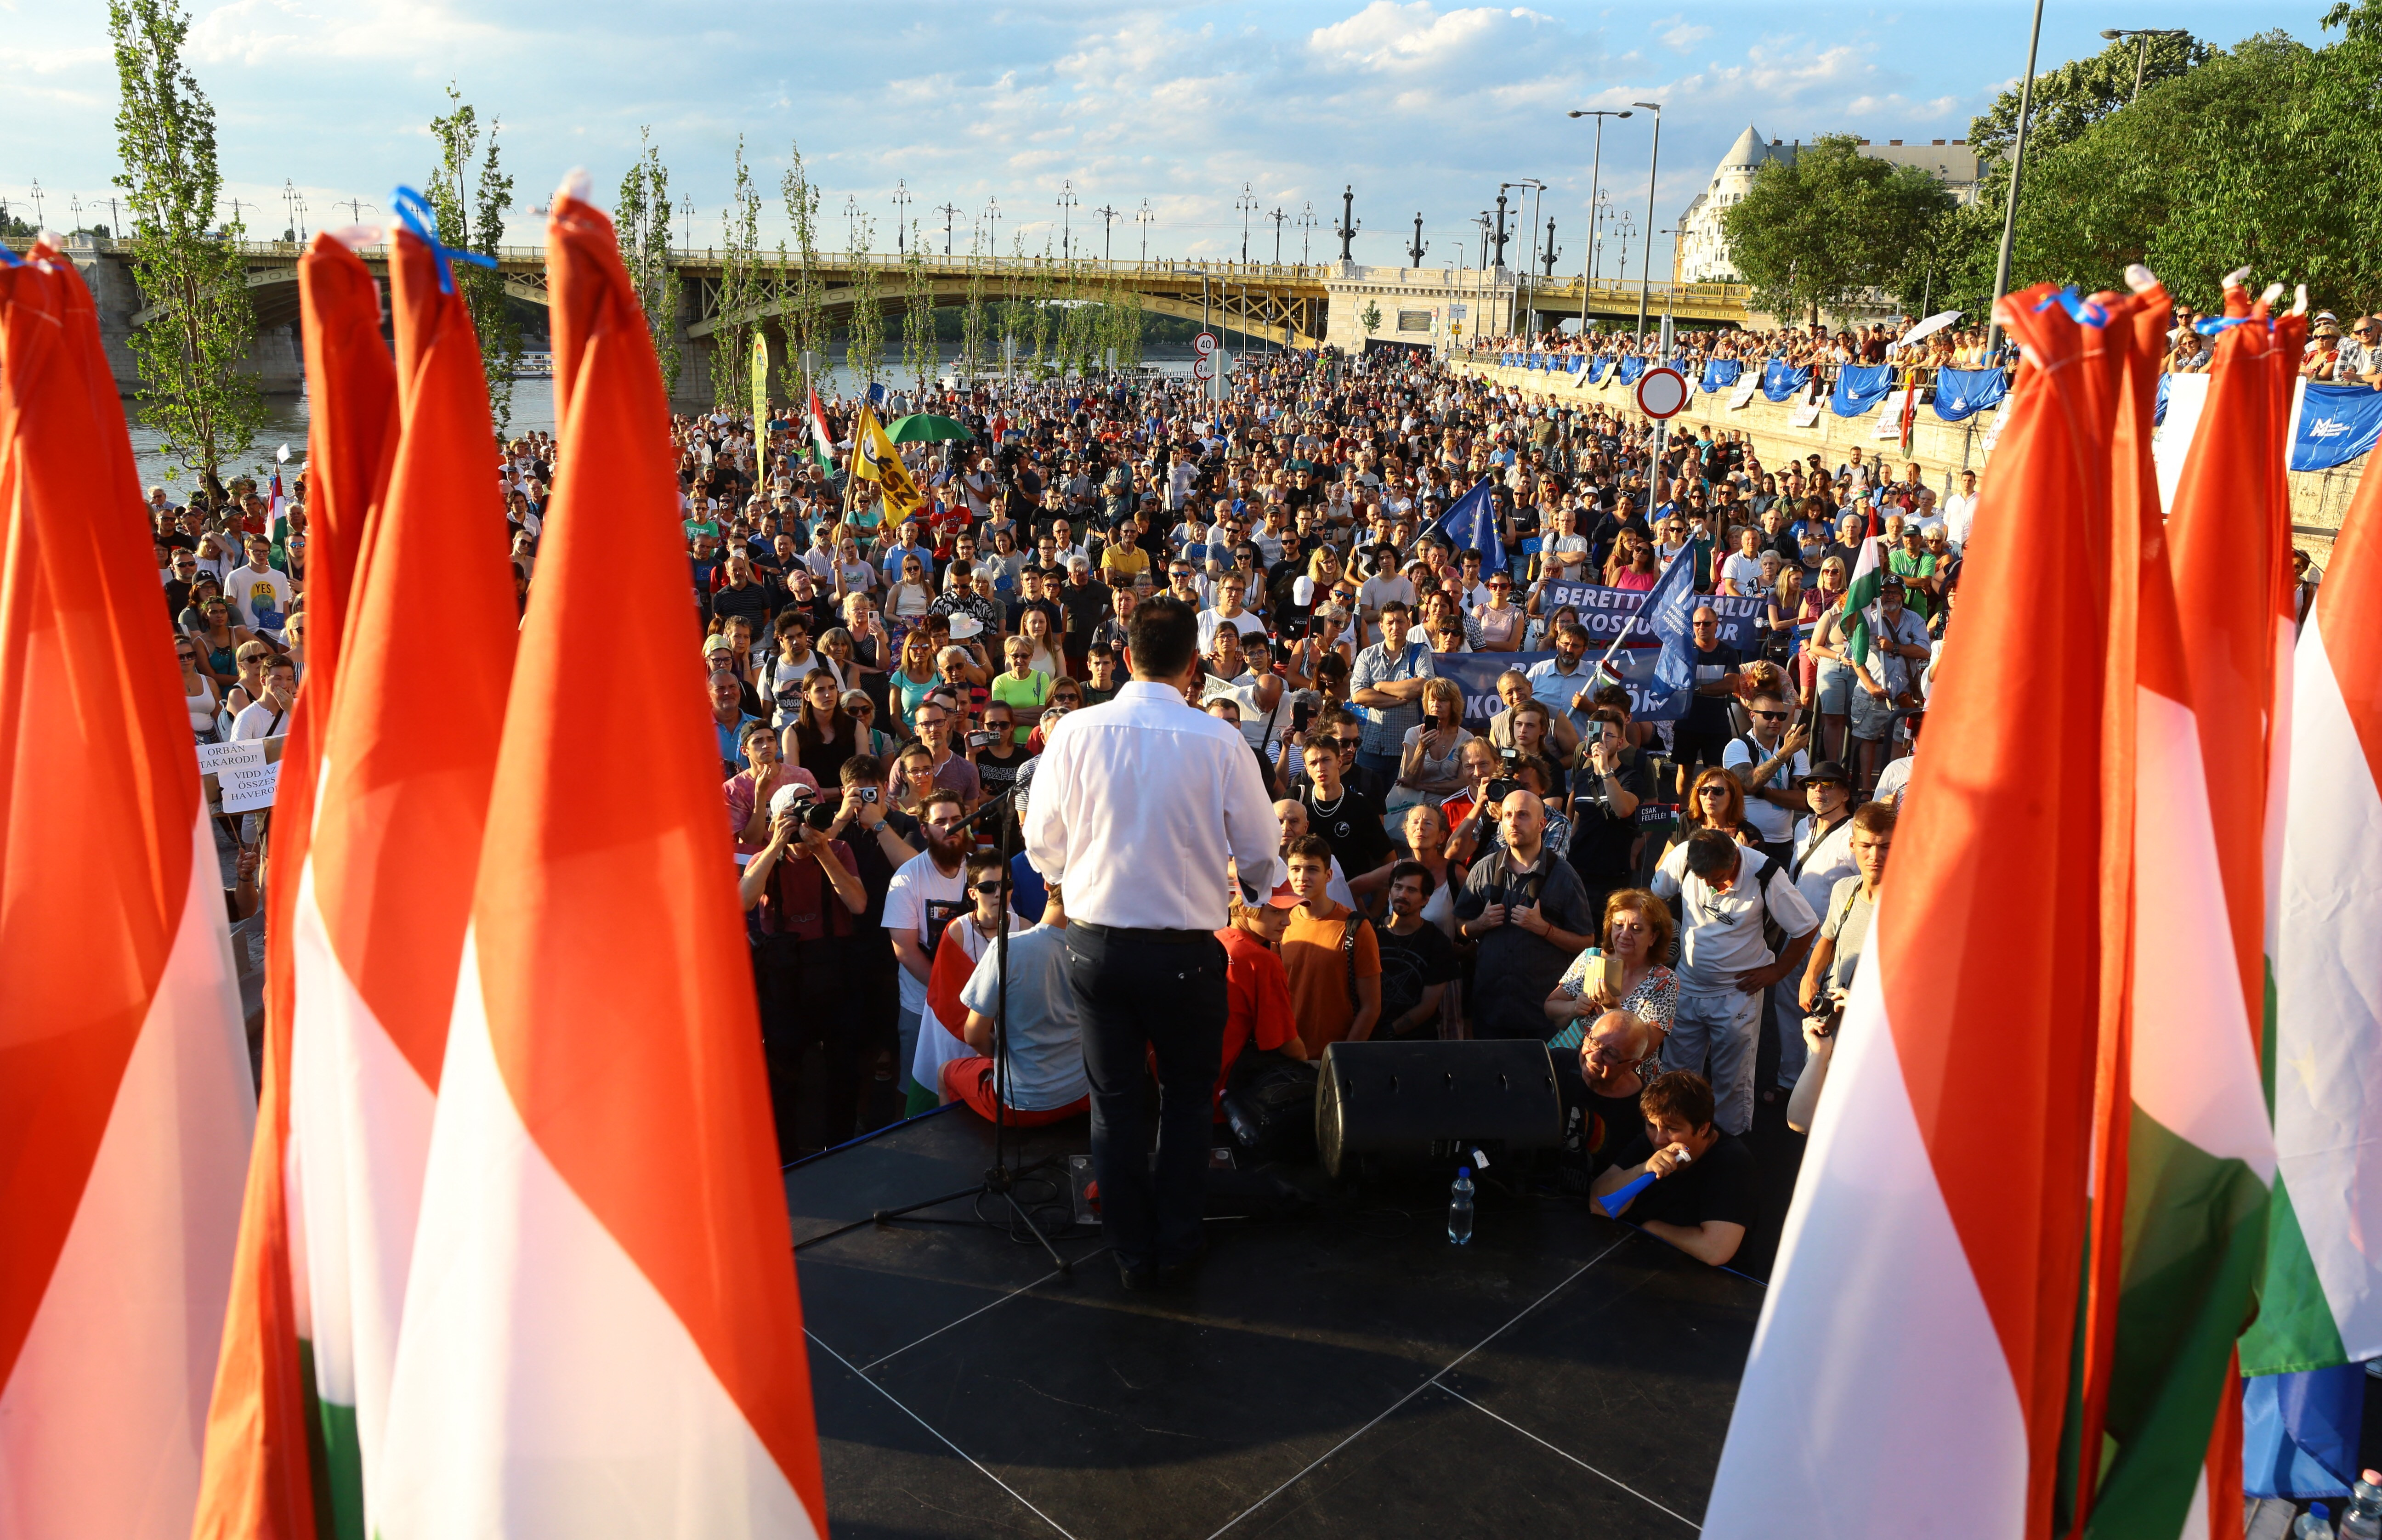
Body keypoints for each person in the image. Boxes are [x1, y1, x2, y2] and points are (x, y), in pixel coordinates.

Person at [1023, 595, 1278, 1291]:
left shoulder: (1074, 732)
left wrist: (1065, 877)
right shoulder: (1220, 741)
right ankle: (1177, 1241)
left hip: (1098, 948)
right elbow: (1260, 854)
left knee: (1116, 1105)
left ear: (1127, 656)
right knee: (1190, 1102)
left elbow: (1041, 842)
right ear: (1194, 666)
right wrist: (1259, 887)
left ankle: (1132, 1253)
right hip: (1183, 955)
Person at [1649, 828, 1819, 1135]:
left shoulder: (1766, 872)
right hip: (1687, 985)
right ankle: (1673, 1135)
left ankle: (1729, 1145)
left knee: (1732, 1079)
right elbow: (1654, 899)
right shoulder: (1685, 856)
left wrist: (1777, 971)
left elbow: (1806, 926)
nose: (1712, 886)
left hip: (1737, 993)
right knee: (1676, 1071)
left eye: (1719, 878)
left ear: (1736, 858)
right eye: (1705, 880)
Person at [737, 786, 867, 1160]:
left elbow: (858, 904)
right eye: (798, 813)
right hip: (785, 978)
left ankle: (841, 1145)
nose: (808, 818)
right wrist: (777, 844)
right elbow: (742, 902)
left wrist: (822, 848)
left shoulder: (839, 851)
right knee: (783, 1070)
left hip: (834, 971)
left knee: (842, 1065)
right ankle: (786, 1150)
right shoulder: (764, 859)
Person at [941, 880, 1089, 1127]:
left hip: (1020, 1104)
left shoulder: (1008, 948)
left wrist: (1003, 1056)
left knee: (944, 1072)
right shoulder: (1097, 950)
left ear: (1046, 884)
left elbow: (974, 1035)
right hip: (1082, 1094)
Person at [1452, 790, 1597, 1041]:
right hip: (1490, 1010)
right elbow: (1460, 925)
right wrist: (1480, 924)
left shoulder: (1564, 876)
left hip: (1541, 1014)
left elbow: (1587, 942)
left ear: (1542, 824)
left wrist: (1544, 929)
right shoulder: (1484, 869)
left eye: (1523, 815)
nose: (1514, 822)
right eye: (1508, 815)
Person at [1789, 801, 1895, 1134]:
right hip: (1830, 1025)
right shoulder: (1844, 891)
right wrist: (1810, 976)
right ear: (1853, 846)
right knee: (1812, 1121)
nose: (1874, 856)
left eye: (1885, 847)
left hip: (1876, 1038)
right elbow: (1828, 937)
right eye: (1866, 846)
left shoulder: (1911, 906)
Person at [1590, 1070, 1756, 1267]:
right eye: (1651, 1125)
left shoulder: (1732, 1163)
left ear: (1703, 1128)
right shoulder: (1651, 1141)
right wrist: (1642, 1169)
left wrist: (1654, 1229)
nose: (1659, 1139)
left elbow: (1715, 1251)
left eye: (1673, 1129)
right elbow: (1599, 1205)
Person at [884, 788, 974, 1108]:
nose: (950, 828)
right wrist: (953, 995)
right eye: (940, 822)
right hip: (923, 1007)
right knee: (917, 1094)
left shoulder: (983, 872)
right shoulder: (907, 879)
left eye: (956, 819)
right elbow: (906, 951)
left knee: (968, 1091)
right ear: (924, 830)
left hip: (977, 1011)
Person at [1543, 888, 1679, 1070]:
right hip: (1574, 1066)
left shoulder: (1664, 981)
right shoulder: (1591, 959)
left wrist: (1612, 1009)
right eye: (1619, 925)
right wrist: (1574, 1007)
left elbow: (1646, 1048)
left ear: (1653, 937)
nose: (1624, 934)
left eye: (1636, 929)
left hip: (1624, 1077)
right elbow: (1550, 1007)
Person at [1279, 834, 1383, 1056]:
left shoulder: (1356, 927)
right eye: (1295, 869)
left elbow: (1372, 1007)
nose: (1302, 877)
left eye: (1312, 870)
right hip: (1289, 1057)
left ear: (1329, 875)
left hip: (1335, 1058)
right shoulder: (1280, 923)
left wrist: (1343, 1057)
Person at [1212, 884, 1309, 1115]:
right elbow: (1284, 1042)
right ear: (1247, 908)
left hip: (1184, 1085)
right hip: (1229, 1098)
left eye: (1288, 912)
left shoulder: (1213, 938)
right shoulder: (1262, 961)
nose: (1287, 921)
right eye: (1276, 912)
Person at [1348, 600, 1435, 799]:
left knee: (1400, 812)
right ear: (1381, 626)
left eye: (1400, 621)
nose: (1395, 627)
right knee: (1368, 809)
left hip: (1404, 752)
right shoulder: (1367, 656)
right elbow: (1359, 695)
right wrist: (1403, 697)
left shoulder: (1420, 652)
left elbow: (1424, 685)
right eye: (1390, 622)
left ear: (1409, 623)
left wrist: (1380, 687)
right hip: (1370, 748)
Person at [1721, 691, 1809, 868]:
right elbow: (1748, 783)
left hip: (1784, 842)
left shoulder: (1796, 752)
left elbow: (1805, 801)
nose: (1775, 721)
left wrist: (1762, 792)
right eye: (1768, 715)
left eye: (1781, 716)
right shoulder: (1738, 746)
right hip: (1745, 838)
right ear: (1753, 716)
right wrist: (1783, 754)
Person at [1373, 860, 1459, 1039]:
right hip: (1366, 1037)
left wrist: (1388, 1033)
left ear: (1426, 899)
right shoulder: (1370, 933)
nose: (1402, 895)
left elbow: (1428, 1006)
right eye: (1398, 887)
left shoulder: (1438, 943)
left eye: (1412, 890)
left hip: (1417, 1043)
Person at [1295, 738, 1393, 890]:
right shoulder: (1296, 799)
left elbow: (1388, 860)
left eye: (1326, 760)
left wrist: (1375, 909)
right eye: (1313, 763)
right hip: (1303, 895)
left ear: (1339, 762)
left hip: (1352, 899)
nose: (1320, 768)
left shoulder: (1360, 806)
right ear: (1307, 769)